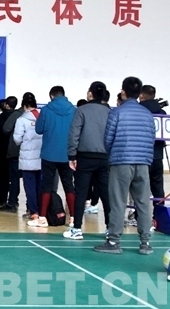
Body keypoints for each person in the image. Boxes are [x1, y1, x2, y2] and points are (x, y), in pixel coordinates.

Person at [95, 77, 156, 255]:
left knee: (118, 202)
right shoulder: (147, 114)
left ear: (123, 92)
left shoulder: (117, 112)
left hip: (121, 161)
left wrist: (112, 155)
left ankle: (114, 241)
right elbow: (151, 138)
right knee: (143, 203)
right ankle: (145, 243)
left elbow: (108, 139)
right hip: (143, 162)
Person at [66, 81, 111, 240]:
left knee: (81, 193)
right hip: (105, 157)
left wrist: (72, 155)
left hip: (84, 157)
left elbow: (74, 134)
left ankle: (77, 228)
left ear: (90, 93)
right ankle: (110, 228)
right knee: (106, 194)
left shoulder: (81, 110)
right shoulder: (110, 112)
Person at [28, 86, 76, 228]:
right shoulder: (74, 110)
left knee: (47, 186)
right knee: (69, 185)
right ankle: (73, 218)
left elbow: (39, 129)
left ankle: (42, 218)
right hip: (67, 154)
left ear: (51, 96)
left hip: (49, 153)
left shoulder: (46, 110)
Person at [13, 94, 42, 221]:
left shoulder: (21, 120)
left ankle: (33, 212)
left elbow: (17, 139)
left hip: (27, 158)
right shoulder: (43, 117)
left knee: (30, 186)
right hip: (42, 157)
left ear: (24, 106)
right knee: (41, 186)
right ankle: (42, 211)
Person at [139, 85, 166, 218]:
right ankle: (159, 216)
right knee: (158, 187)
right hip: (158, 155)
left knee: (140, 187)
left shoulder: (138, 110)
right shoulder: (162, 113)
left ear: (141, 95)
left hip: (142, 156)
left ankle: (140, 217)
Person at [0, 97, 25, 212]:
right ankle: (31, 207)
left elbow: (6, 129)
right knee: (31, 179)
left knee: (14, 178)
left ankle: (12, 202)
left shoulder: (16, 115)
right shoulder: (37, 115)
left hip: (16, 151)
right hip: (34, 153)